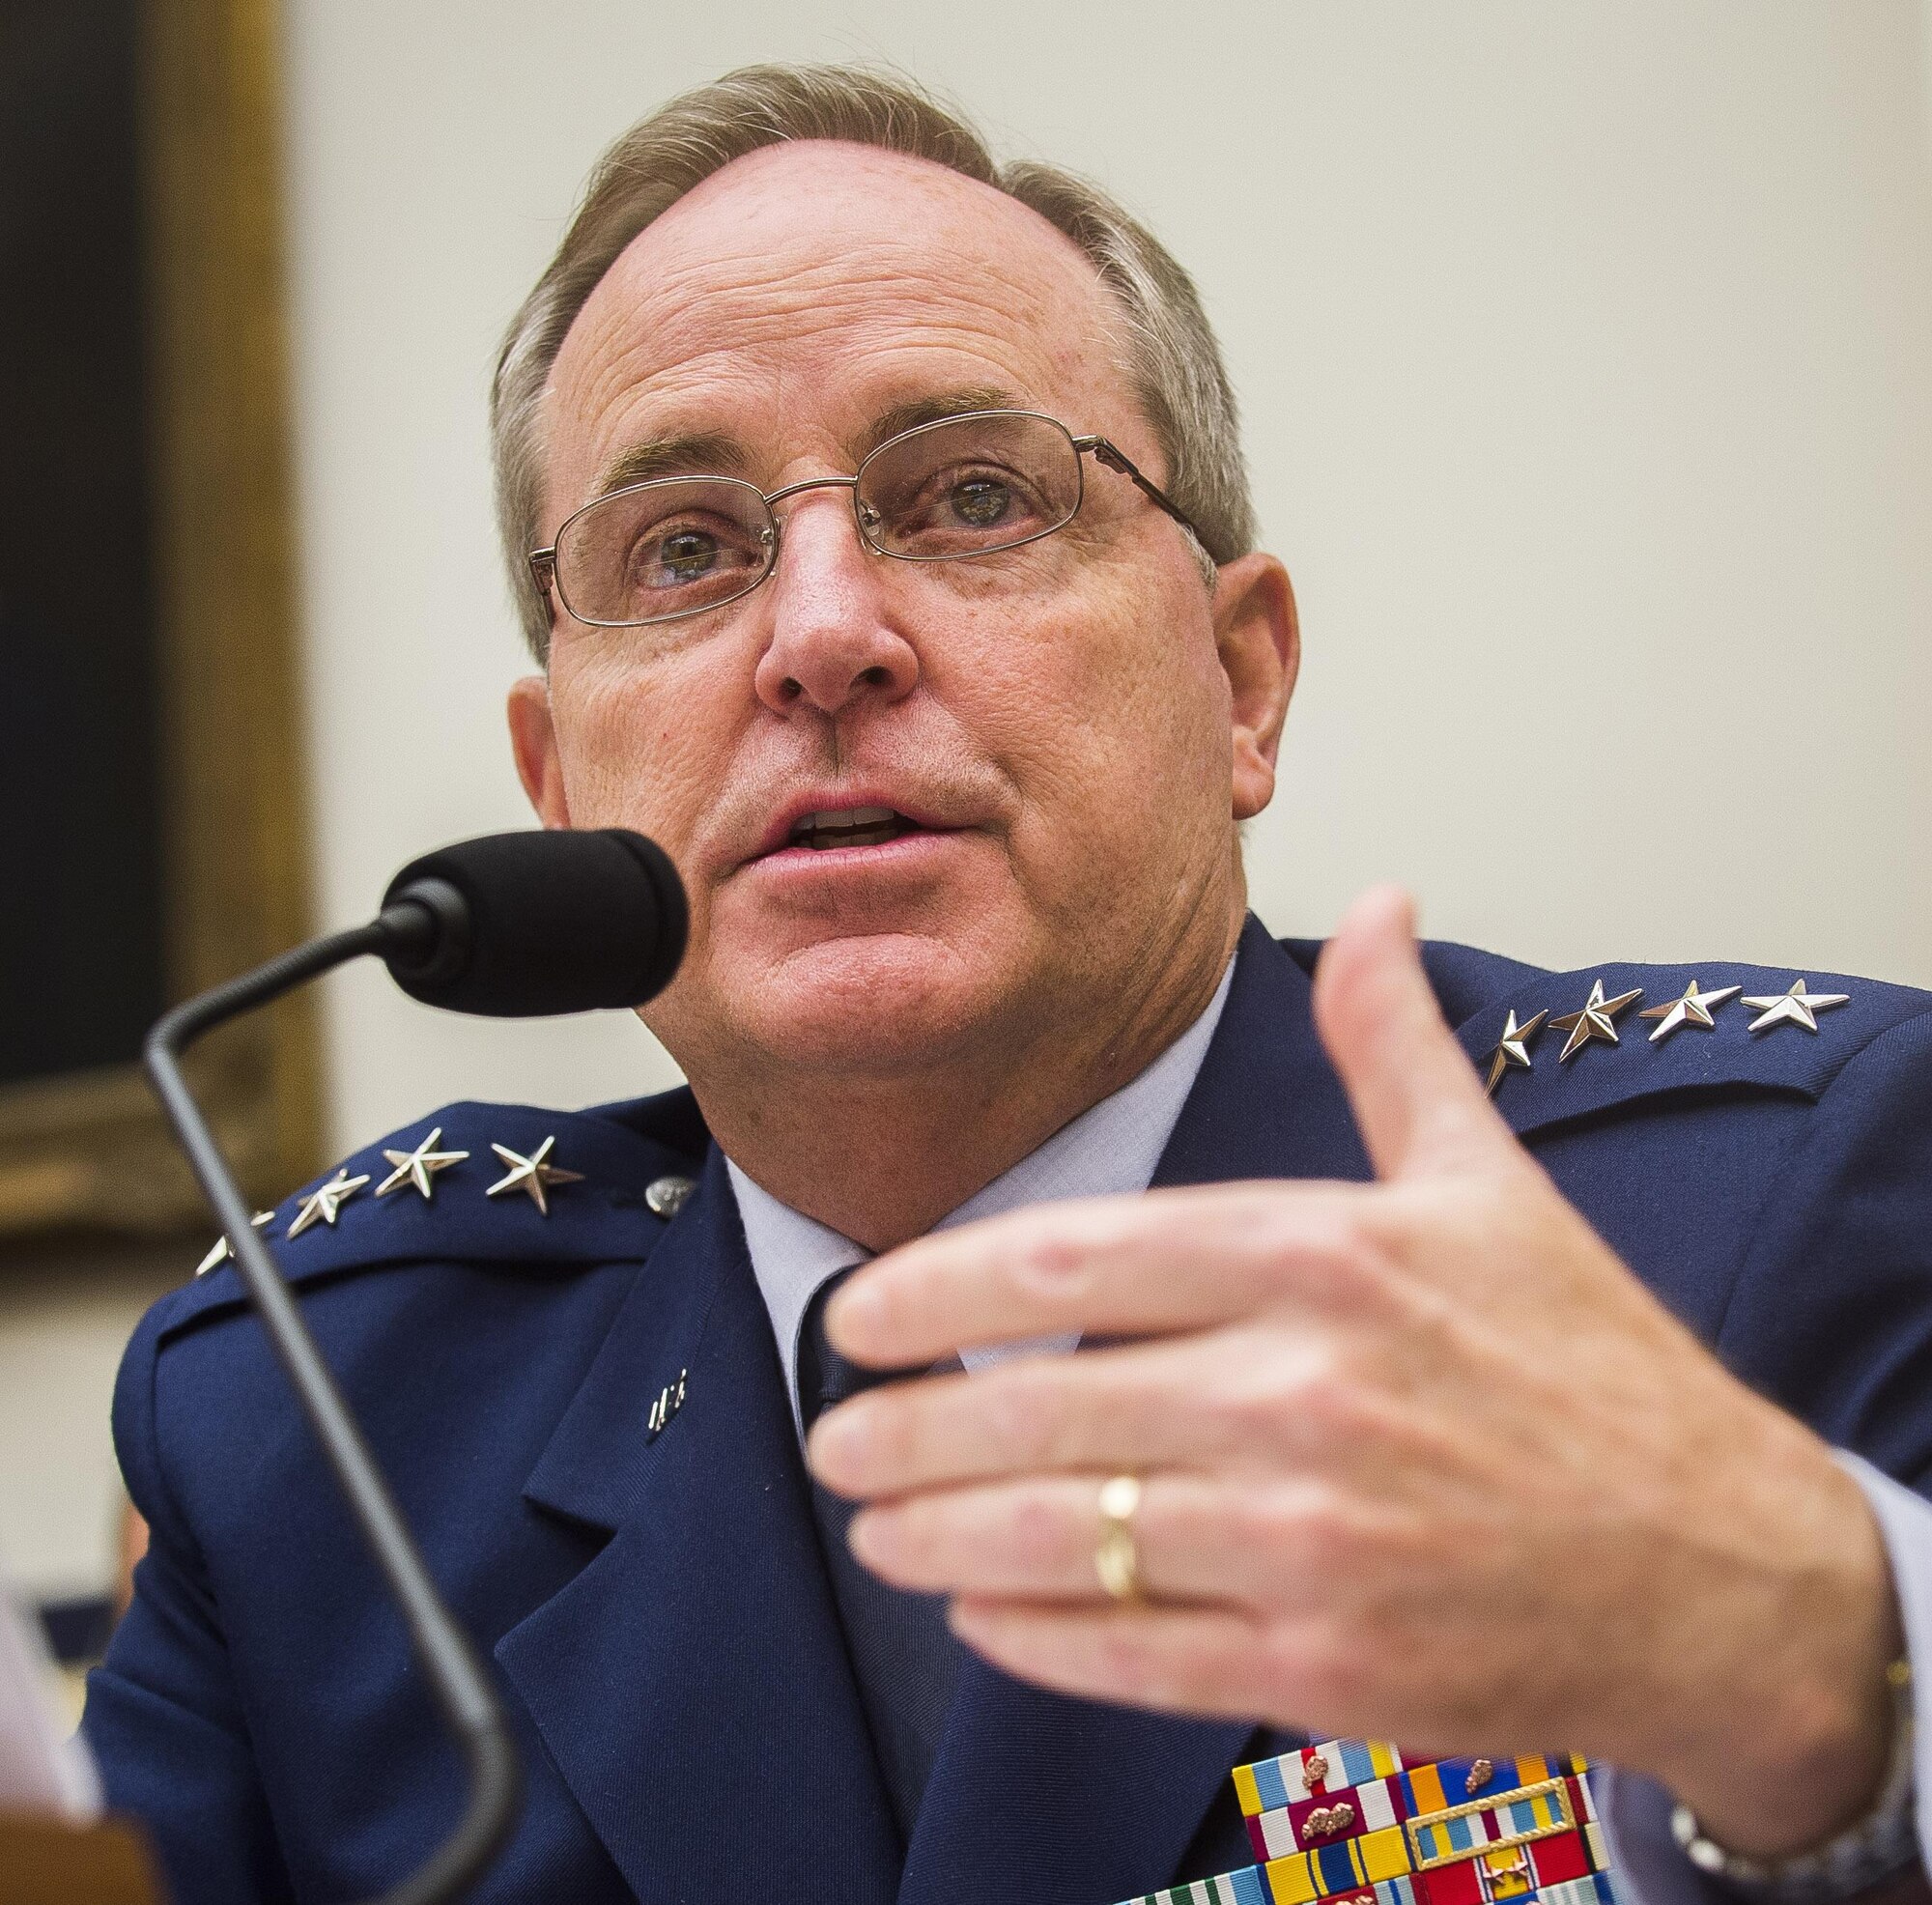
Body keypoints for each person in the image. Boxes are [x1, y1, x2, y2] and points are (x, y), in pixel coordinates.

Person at [82, 65, 1932, 1905]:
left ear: (1242, 681)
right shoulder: (322, 1427)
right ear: (559, 782)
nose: (819, 639)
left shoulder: (1772, 1217)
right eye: (686, 550)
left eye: (971, 495)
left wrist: (1831, 1669)